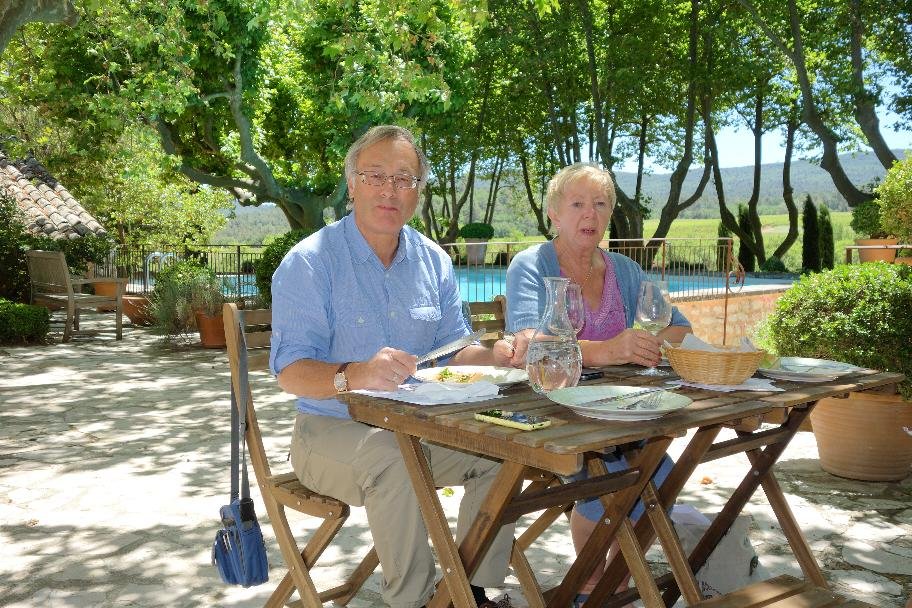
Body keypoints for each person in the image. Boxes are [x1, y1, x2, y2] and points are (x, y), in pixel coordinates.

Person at [270, 125, 518, 608]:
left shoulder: (433, 261)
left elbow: (452, 353)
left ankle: (470, 593)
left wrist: (497, 354)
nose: (390, 189)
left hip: (419, 428)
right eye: (376, 175)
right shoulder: (311, 262)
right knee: (393, 458)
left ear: (418, 192)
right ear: (352, 184)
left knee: (501, 455)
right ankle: (413, 601)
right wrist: (355, 374)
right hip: (328, 430)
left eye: (405, 178)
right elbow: (290, 372)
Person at [505, 162, 692, 606]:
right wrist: (609, 350)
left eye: (600, 204)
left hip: (619, 410)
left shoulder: (624, 269)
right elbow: (531, 344)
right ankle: (590, 586)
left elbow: (679, 328)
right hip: (552, 411)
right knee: (607, 473)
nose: (590, 214)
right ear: (554, 212)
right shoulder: (531, 265)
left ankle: (616, 579)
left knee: (663, 476)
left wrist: (646, 343)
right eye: (577, 204)